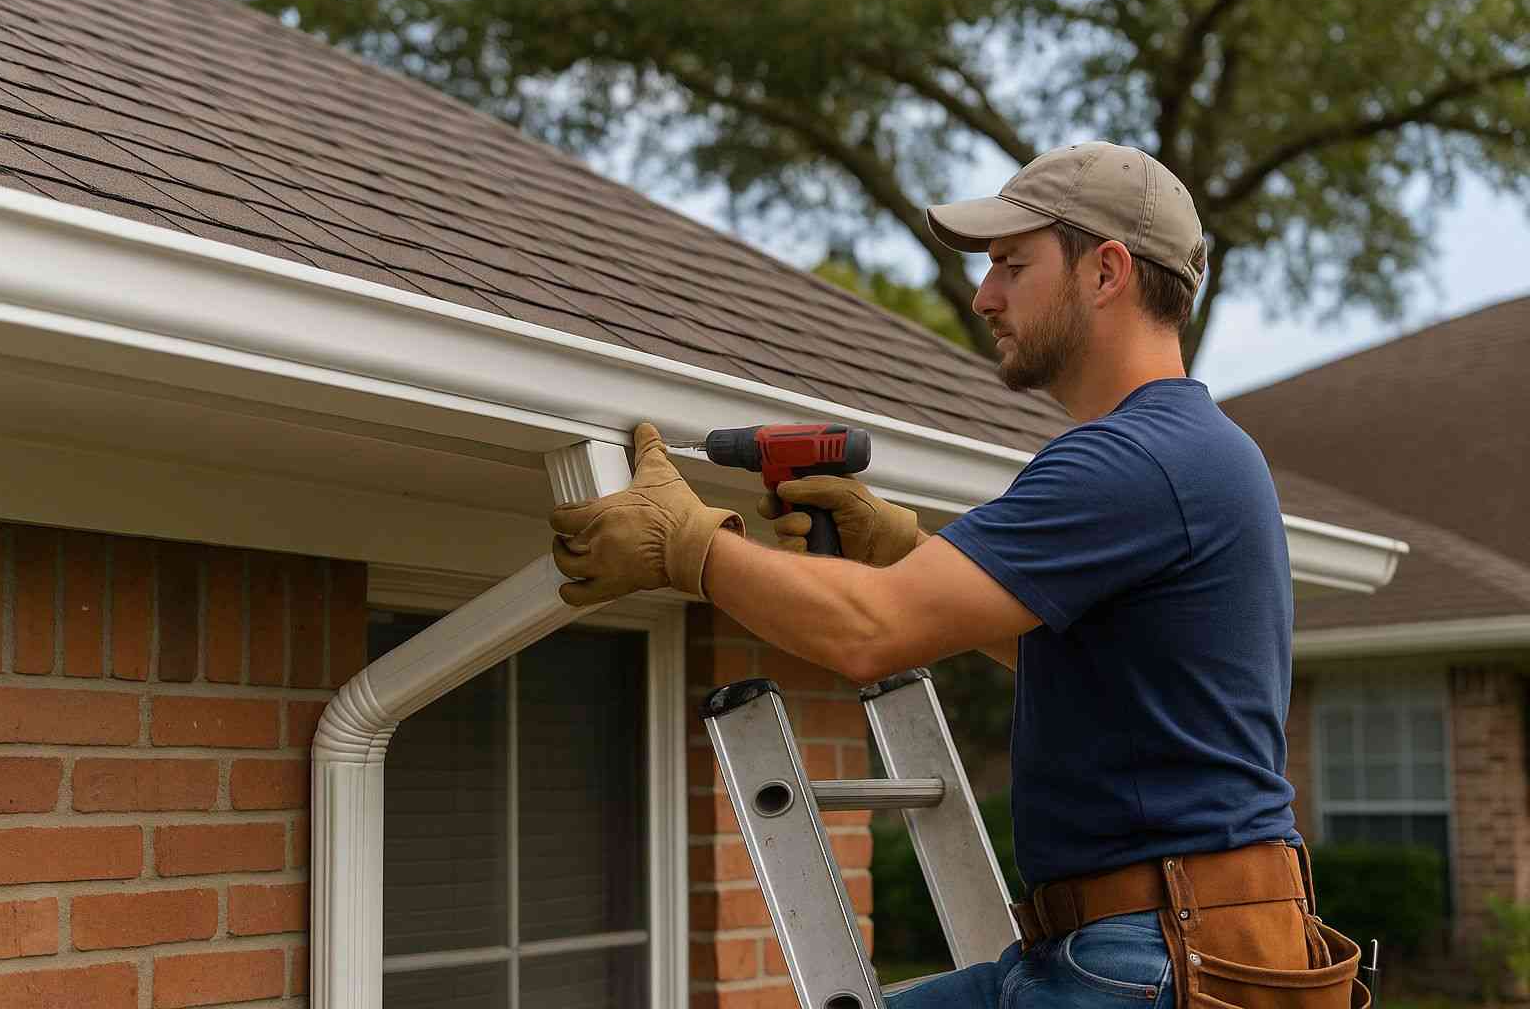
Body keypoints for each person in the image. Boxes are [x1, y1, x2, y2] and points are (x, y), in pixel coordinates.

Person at [549, 141, 1364, 1008]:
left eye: (1013, 265)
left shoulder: (1135, 459)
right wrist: (900, 551)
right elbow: (1084, 663)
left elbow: (870, 634)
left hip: (1149, 956)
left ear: (1107, 272)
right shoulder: (1190, 454)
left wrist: (688, 545)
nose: (985, 296)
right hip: (1125, 944)